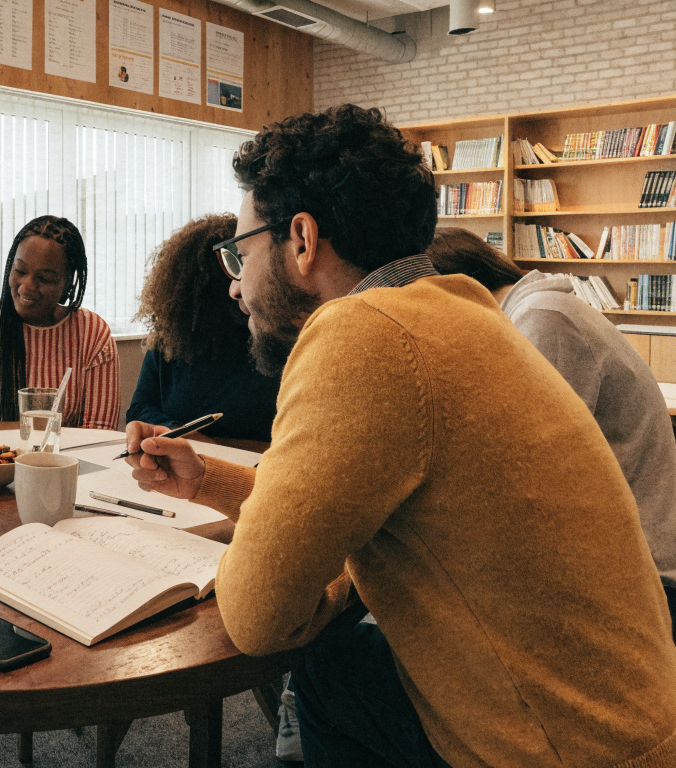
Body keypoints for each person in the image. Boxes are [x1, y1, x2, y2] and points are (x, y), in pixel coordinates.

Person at [124, 105, 676, 767]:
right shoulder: (467, 310)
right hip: (635, 724)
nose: (236, 285)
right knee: (353, 661)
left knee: (330, 668)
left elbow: (257, 615)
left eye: (240, 253)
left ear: (300, 240)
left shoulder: (360, 337)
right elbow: (339, 502)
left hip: (558, 751)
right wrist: (211, 480)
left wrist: (330, 576)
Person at [427, 227, 676, 635]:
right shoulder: (538, 312)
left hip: (644, 587)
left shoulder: (543, 319)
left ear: (455, 288)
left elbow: (526, 475)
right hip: (621, 571)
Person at [0, 215, 119, 430]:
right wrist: (42, 428)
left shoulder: (93, 334)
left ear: (67, 284)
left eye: (44, 278)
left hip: (66, 463)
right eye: (20, 271)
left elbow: (99, 434)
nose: (26, 287)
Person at [127, 214, 279, 442]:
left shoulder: (268, 336)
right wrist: (181, 431)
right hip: (184, 457)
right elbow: (139, 409)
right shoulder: (170, 339)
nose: (235, 289)